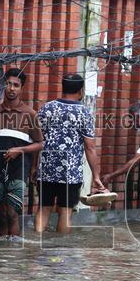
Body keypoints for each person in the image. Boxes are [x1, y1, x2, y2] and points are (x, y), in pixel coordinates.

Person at [34, 73, 106, 234]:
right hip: (71, 172)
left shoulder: (47, 108)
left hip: (46, 169)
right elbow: (90, 148)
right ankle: (61, 251)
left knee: (43, 208)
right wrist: (96, 176)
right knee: (66, 211)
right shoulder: (84, 113)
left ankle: (36, 247)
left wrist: (34, 167)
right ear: (81, 91)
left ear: (63, 88)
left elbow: (37, 140)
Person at [0, 68, 43, 240]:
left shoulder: (30, 114)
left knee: (12, 212)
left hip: (19, 168)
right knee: (0, 215)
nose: (12, 88)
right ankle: (0, 258)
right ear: (4, 85)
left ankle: (14, 254)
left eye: (16, 85)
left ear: (21, 88)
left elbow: (41, 143)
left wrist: (20, 151)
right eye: (9, 84)